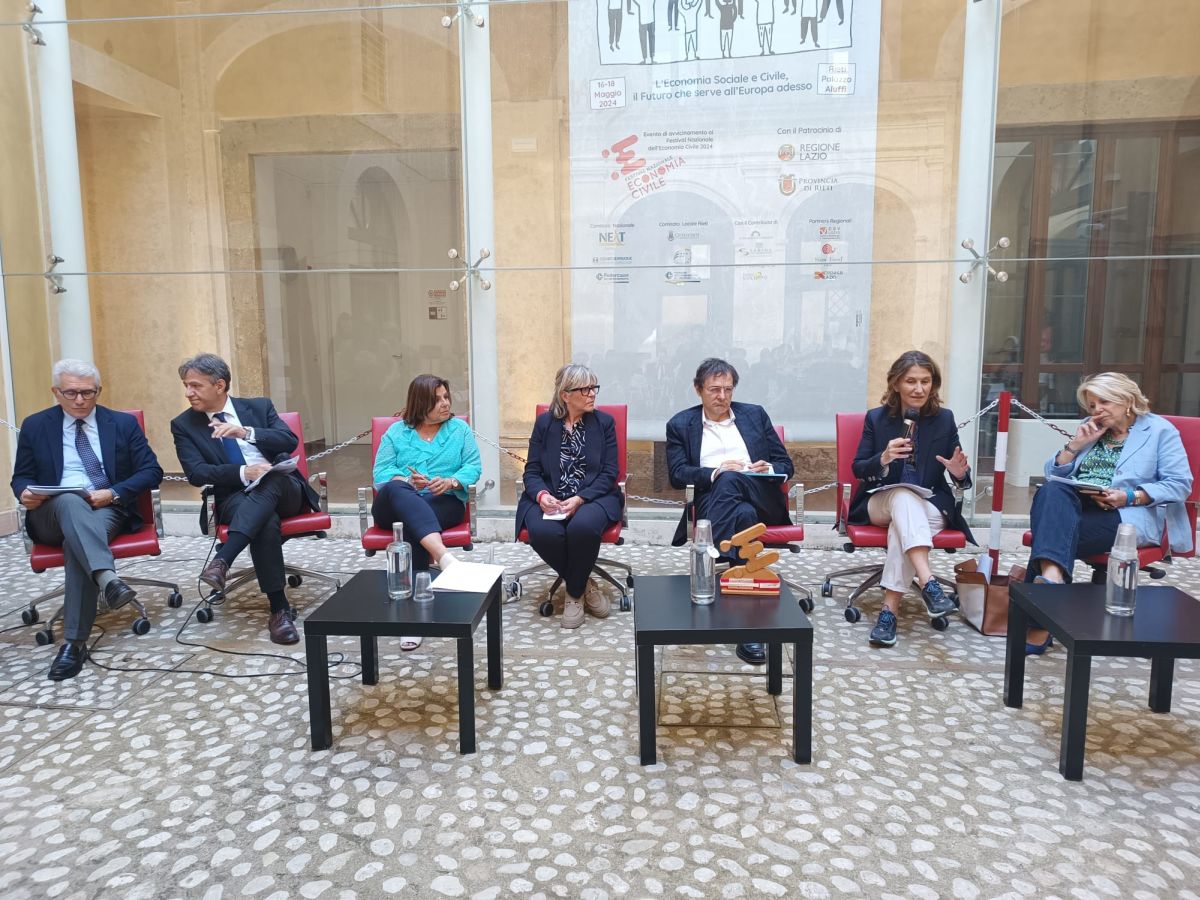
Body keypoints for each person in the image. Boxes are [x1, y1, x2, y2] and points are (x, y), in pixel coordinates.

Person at [11, 359, 163, 681]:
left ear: (98, 391)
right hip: (52, 514)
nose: (80, 400)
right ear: (56, 392)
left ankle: (74, 644)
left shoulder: (121, 424)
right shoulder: (36, 425)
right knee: (69, 499)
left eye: (87, 393)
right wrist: (24, 492)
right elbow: (21, 476)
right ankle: (108, 580)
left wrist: (113, 493)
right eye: (71, 393)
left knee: (75, 543)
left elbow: (152, 471)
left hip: (106, 508)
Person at [1023, 373, 1192, 651]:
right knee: (1051, 490)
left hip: (1129, 514)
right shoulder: (1090, 428)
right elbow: (1054, 473)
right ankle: (1051, 585)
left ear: (1127, 400)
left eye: (1104, 402)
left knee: (1050, 533)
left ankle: (1043, 605)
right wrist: (1075, 446)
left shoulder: (1160, 431)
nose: (1096, 410)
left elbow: (1179, 484)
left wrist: (1129, 496)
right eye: (1092, 405)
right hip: (1081, 505)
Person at [171, 353, 320, 645]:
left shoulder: (258, 407)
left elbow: (289, 441)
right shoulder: (184, 424)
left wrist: (245, 432)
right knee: (265, 521)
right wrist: (243, 472)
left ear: (219, 385)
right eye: (186, 386)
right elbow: (196, 473)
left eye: (195, 385)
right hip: (235, 496)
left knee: (272, 478)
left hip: (285, 490)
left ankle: (223, 560)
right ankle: (279, 610)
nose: (188, 392)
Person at [666, 357, 794, 665]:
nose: (722, 396)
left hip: (762, 494)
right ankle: (749, 629)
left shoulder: (755, 415)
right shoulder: (680, 424)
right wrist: (715, 471)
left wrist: (768, 467)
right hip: (714, 499)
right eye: (714, 389)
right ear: (698, 389)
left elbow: (787, 465)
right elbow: (677, 474)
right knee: (742, 514)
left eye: (728, 389)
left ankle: (710, 554)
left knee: (734, 481)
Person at [847, 350, 974, 649]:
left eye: (925, 381)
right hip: (881, 500)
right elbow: (859, 469)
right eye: (911, 381)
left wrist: (959, 474)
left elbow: (960, 476)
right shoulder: (876, 419)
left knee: (901, 528)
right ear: (895, 384)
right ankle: (928, 581)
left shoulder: (944, 419)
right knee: (903, 496)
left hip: (930, 503)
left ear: (933, 384)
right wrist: (884, 457)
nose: (919, 389)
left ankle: (888, 613)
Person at [372, 374, 481, 650]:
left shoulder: (459, 430)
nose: (445, 403)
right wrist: (408, 482)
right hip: (393, 505)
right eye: (437, 400)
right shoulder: (396, 432)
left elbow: (473, 466)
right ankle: (445, 558)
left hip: (442, 502)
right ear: (420, 403)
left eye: (446, 397)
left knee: (412, 524)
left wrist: (451, 482)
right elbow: (381, 473)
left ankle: (412, 620)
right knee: (398, 491)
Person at [516, 365, 623, 629]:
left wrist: (580, 498)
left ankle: (574, 595)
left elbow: (609, 473)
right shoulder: (545, 424)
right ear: (565, 395)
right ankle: (585, 585)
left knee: (582, 527)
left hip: (594, 497)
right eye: (585, 389)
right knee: (543, 533)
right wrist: (541, 495)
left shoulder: (604, 423)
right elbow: (532, 470)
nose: (592, 394)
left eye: (594, 388)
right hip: (551, 497)